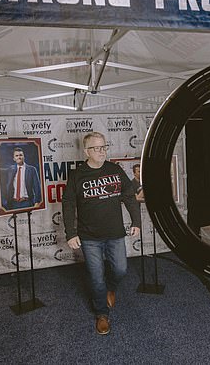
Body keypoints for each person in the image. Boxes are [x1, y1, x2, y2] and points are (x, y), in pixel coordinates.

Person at [63, 132, 141, 335]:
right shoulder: (77, 175)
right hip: (89, 237)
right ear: (86, 151)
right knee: (96, 278)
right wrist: (70, 233)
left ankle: (111, 288)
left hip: (115, 233)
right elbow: (69, 204)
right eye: (96, 148)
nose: (101, 151)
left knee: (121, 270)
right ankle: (102, 314)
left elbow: (130, 196)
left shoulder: (115, 169)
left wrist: (137, 221)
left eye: (104, 147)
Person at [2, 146, 42, 211]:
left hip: (27, 203)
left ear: (24, 157)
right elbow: (5, 186)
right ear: (14, 158)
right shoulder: (10, 170)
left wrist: (37, 202)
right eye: (16, 155)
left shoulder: (32, 169)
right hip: (13, 203)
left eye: (21, 155)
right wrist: (3, 203)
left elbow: (37, 187)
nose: (19, 157)